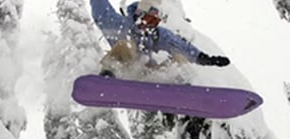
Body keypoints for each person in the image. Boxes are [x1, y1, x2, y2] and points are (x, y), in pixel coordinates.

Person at [90, 0, 230, 77]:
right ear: (140, 15)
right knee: (125, 45)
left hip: (144, 75)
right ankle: (106, 77)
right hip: (121, 72)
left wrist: (204, 58)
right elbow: (101, 11)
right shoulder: (119, 24)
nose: (151, 25)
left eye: (155, 22)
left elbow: (181, 46)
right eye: (149, 20)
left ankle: (179, 88)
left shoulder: (155, 35)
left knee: (179, 59)